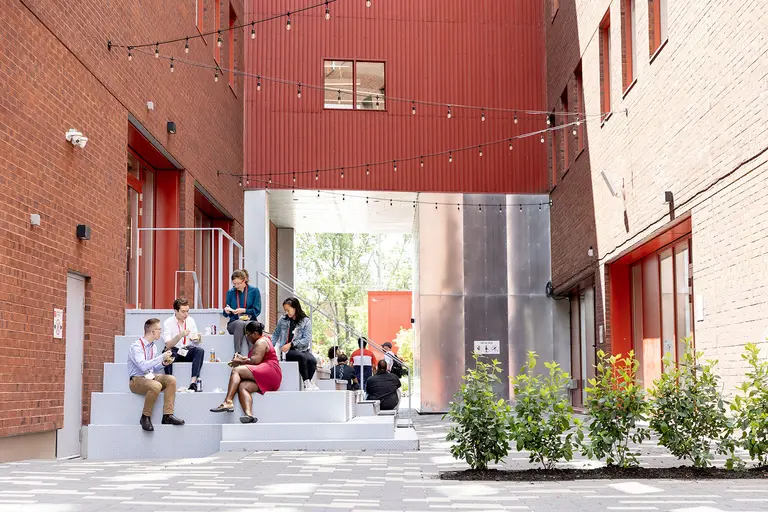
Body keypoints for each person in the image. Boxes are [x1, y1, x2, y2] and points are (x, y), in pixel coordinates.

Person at [210, 321, 282, 423]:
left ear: (255, 333)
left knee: (236, 370)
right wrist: (243, 358)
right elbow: (257, 358)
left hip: (270, 371)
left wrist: (239, 361)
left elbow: (255, 361)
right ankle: (249, 415)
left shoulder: (260, 342)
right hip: (271, 377)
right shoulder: (263, 340)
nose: (247, 337)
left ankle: (228, 401)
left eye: (248, 334)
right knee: (243, 386)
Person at [127, 318, 185, 431]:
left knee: (171, 379)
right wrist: (161, 357)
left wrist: (163, 363)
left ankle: (167, 415)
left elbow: (152, 368)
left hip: (149, 376)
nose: (161, 332)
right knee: (156, 385)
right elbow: (143, 366)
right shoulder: (136, 346)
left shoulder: (153, 346)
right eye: (159, 329)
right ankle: (145, 417)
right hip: (136, 380)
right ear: (152, 331)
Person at [273, 297, 317, 391]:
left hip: (301, 349)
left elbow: (306, 339)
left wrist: (292, 344)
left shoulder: (306, 321)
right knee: (301, 357)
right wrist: (270, 347)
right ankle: (306, 382)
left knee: (313, 360)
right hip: (287, 351)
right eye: (285, 310)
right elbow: (276, 334)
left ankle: (309, 381)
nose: (286, 312)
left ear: (295, 308)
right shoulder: (283, 320)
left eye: (288, 310)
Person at [162, 298, 205, 391]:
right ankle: (169, 383)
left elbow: (195, 339)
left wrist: (197, 339)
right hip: (175, 350)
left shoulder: (190, 320)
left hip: (187, 349)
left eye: (187, 311)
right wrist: (180, 335)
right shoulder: (168, 323)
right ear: (176, 311)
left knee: (200, 351)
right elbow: (168, 344)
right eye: (183, 311)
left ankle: (193, 382)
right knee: (166, 353)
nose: (186, 314)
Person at [223, 269, 261, 355]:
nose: (236, 286)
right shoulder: (230, 292)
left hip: (250, 321)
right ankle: (237, 354)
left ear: (245, 281)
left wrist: (244, 310)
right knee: (240, 323)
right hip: (234, 322)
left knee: (248, 324)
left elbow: (257, 310)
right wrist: (227, 311)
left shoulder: (254, 291)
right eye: (234, 283)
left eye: (238, 283)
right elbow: (225, 313)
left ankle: (252, 355)